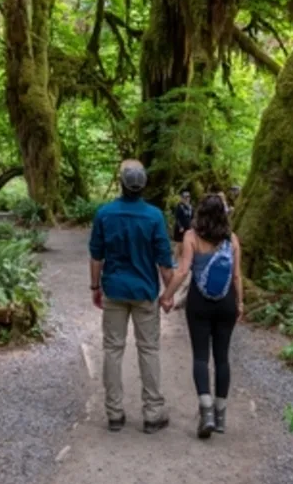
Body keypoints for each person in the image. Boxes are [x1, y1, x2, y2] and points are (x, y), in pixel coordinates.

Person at [89, 159, 175, 433]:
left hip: (114, 289)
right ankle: (152, 413)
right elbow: (164, 259)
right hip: (144, 291)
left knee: (113, 350)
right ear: (143, 185)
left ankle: (114, 413)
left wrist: (95, 287)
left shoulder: (105, 214)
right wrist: (168, 293)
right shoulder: (154, 216)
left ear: (121, 183)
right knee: (148, 349)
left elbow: (96, 255)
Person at [160, 192, 243, 440]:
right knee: (222, 358)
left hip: (199, 303)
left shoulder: (191, 237)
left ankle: (205, 412)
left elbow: (183, 271)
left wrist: (167, 295)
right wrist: (240, 302)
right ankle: (220, 416)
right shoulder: (233, 240)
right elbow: (237, 276)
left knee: (200, 356)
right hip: (226, 302)